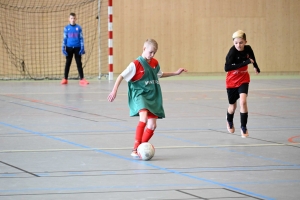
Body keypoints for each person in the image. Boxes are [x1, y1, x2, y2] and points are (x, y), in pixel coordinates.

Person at [107, 39, 187, 158]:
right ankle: (135, 148)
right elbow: (121, 76)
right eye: (150, 52)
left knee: (152, 125)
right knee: (143, 118)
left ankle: (141, 148)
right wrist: (114, 90)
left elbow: (160, 74)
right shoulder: (135, 64)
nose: (152, 55)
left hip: (152, 95)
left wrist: (175, 73)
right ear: (144, 49)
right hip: (140, 94)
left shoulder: (154, 62)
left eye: (154, 53)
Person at [224, 30, 260, 138]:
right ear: (233, 43)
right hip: (232, 80)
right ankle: (229, 120)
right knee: (232, 106)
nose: (238, 45)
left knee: (243, 102)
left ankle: (243, 127)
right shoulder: (232, 52)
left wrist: (256, 67)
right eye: (236, 43)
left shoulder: (248, 49)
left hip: (243, 78)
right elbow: (227, 68)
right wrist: (244, 63)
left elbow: (252, 58)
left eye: (241, 42)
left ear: (245, 42)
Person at [61, 13, 89, 85]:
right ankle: (65, 79)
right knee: (68, 63)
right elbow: (65, 38)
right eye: (71, 18)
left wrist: (82, 47)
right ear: (69, 19)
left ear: (76, 19)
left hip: (77, 48)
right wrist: (63, 48)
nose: (73, 20)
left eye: (74, 18)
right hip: (69, 48)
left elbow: (81, 38)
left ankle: (82, 79)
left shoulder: (79, 28)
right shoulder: (66, 28)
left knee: (79, 63)